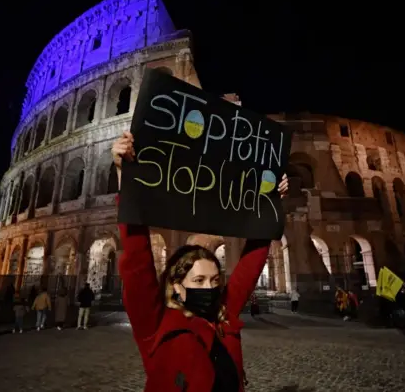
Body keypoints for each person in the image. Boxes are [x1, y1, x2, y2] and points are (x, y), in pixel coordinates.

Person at [112, 131, 288, 392]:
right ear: (178, 286)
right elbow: (137, 258)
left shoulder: (223, 316)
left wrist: (271, 204)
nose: (209, 288)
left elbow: (250, 264)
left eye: (215, 280)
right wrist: (125, 175)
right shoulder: (155, 322)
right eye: (198, 280)